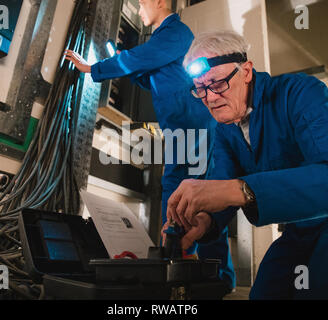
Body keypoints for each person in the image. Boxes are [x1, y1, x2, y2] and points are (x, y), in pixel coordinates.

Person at [165, 30, 328, 299]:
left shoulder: (301, 93)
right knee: (265, 294)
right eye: (201, 89)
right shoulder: (226, 130)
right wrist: (204, 220)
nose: (210, 98)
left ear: (246, 71)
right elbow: (220, 186)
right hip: (304, 223)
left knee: (323, 291)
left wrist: (240, 189)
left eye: (217, 84)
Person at [64, 0, 236, 291]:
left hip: (195, 128)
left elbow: (140, 59)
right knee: (176, 195)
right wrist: (124, 63)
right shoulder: (161, 41)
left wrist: (94, 68)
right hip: (179, 130)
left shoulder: (177, 33)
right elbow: (148, 76)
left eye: (142, 3)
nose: (140, 9)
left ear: (159, 1)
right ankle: (177, 267)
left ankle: (217, 279)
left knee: (200, 197)